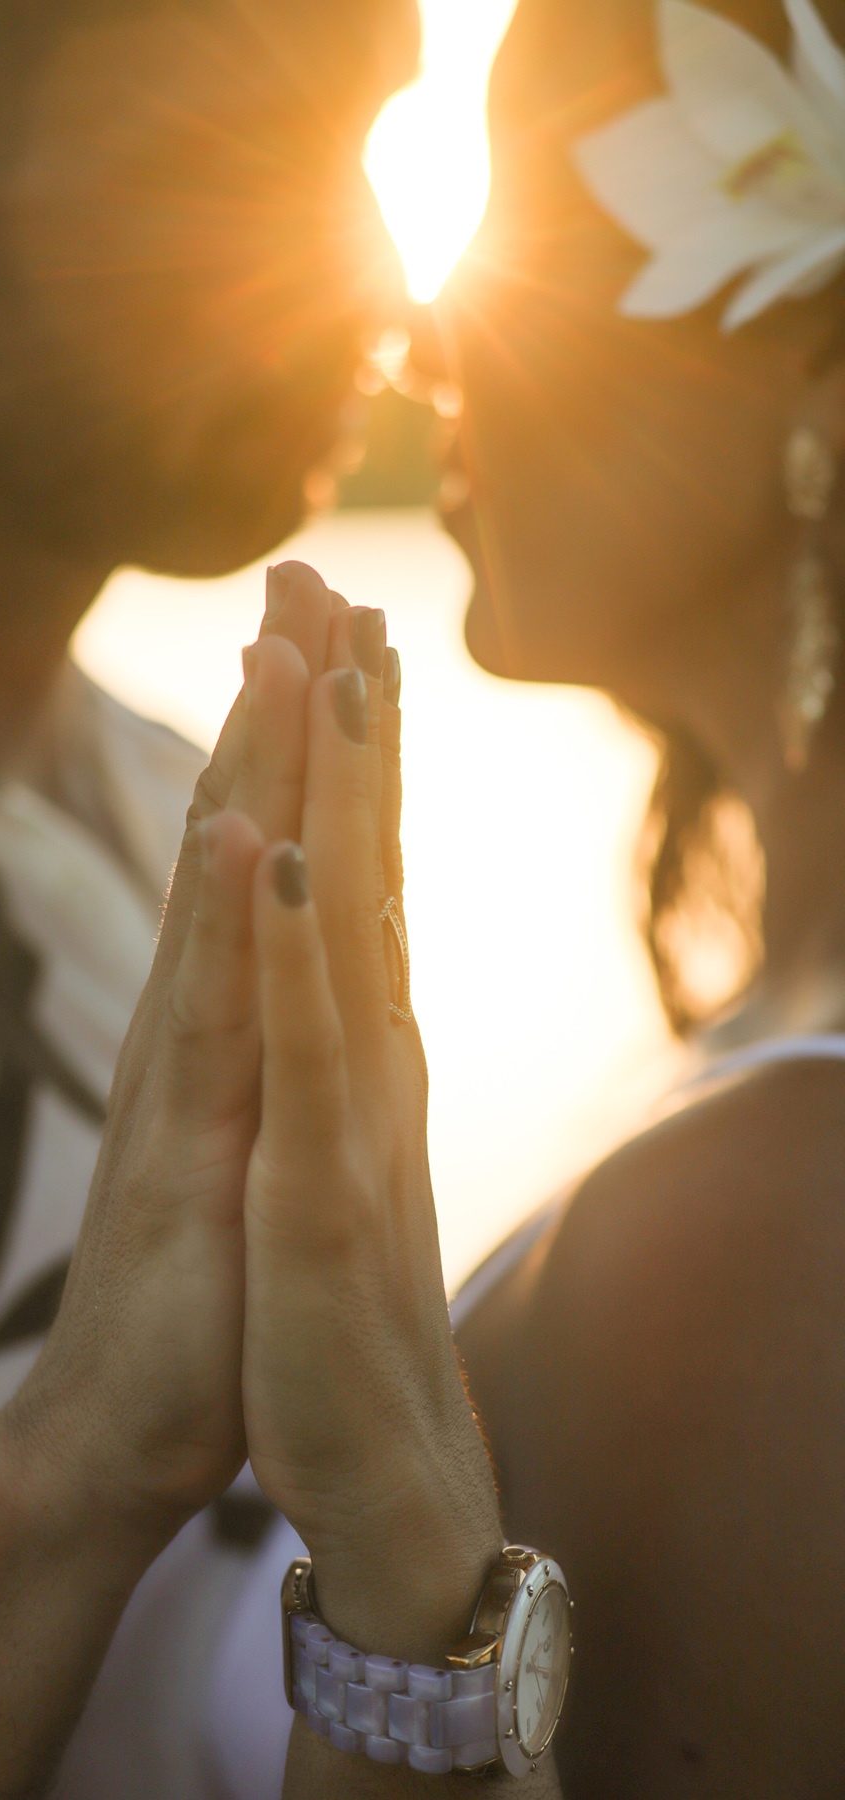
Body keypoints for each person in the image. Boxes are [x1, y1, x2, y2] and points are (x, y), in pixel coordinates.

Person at [0, 0, 535, 1792]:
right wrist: (67, 1472)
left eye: (367, 147)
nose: (379, 276)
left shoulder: (204, 812)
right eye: (237, 158)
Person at [435, 0, 845, 1791]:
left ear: (806, 374)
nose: (420, 338)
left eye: (536, 235)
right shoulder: (767, 1055)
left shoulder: (764, 1230)